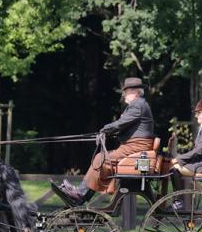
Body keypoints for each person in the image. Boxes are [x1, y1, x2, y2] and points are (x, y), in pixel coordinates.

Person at [56, 77, 155, 205]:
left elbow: (120, 124)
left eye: (126, 91)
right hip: (133, 145)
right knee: (101, 159)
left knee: (100, 159)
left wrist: (104, 130)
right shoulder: (140, 105)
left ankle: (80, 194)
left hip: (136, 146)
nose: (124, 94)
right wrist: (109, 133)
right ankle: (81, 194)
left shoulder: (138, 105)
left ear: (135, 92)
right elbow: (125, 127)